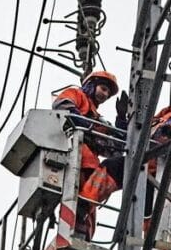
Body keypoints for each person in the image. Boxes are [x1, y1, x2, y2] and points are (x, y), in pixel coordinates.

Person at [77, 100, 171, 239]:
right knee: (110, 167)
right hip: (141, 160)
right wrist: (122, 118)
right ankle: (84, 205)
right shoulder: (162, 117)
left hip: (157, 170)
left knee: (153, 217)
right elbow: (134, 134)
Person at [52, 70, 126, 238]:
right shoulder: (76, 94)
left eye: (108, 92)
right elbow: (63, 106)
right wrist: (86, 125)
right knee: (77, 202)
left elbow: (118, 145)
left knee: (89, 210)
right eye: (103, 88)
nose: (105, 95)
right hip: (74, 159)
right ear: (91, 85)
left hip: (91, 169)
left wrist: (121, 119)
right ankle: (72, 234)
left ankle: (83, 239)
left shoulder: (98, 119)